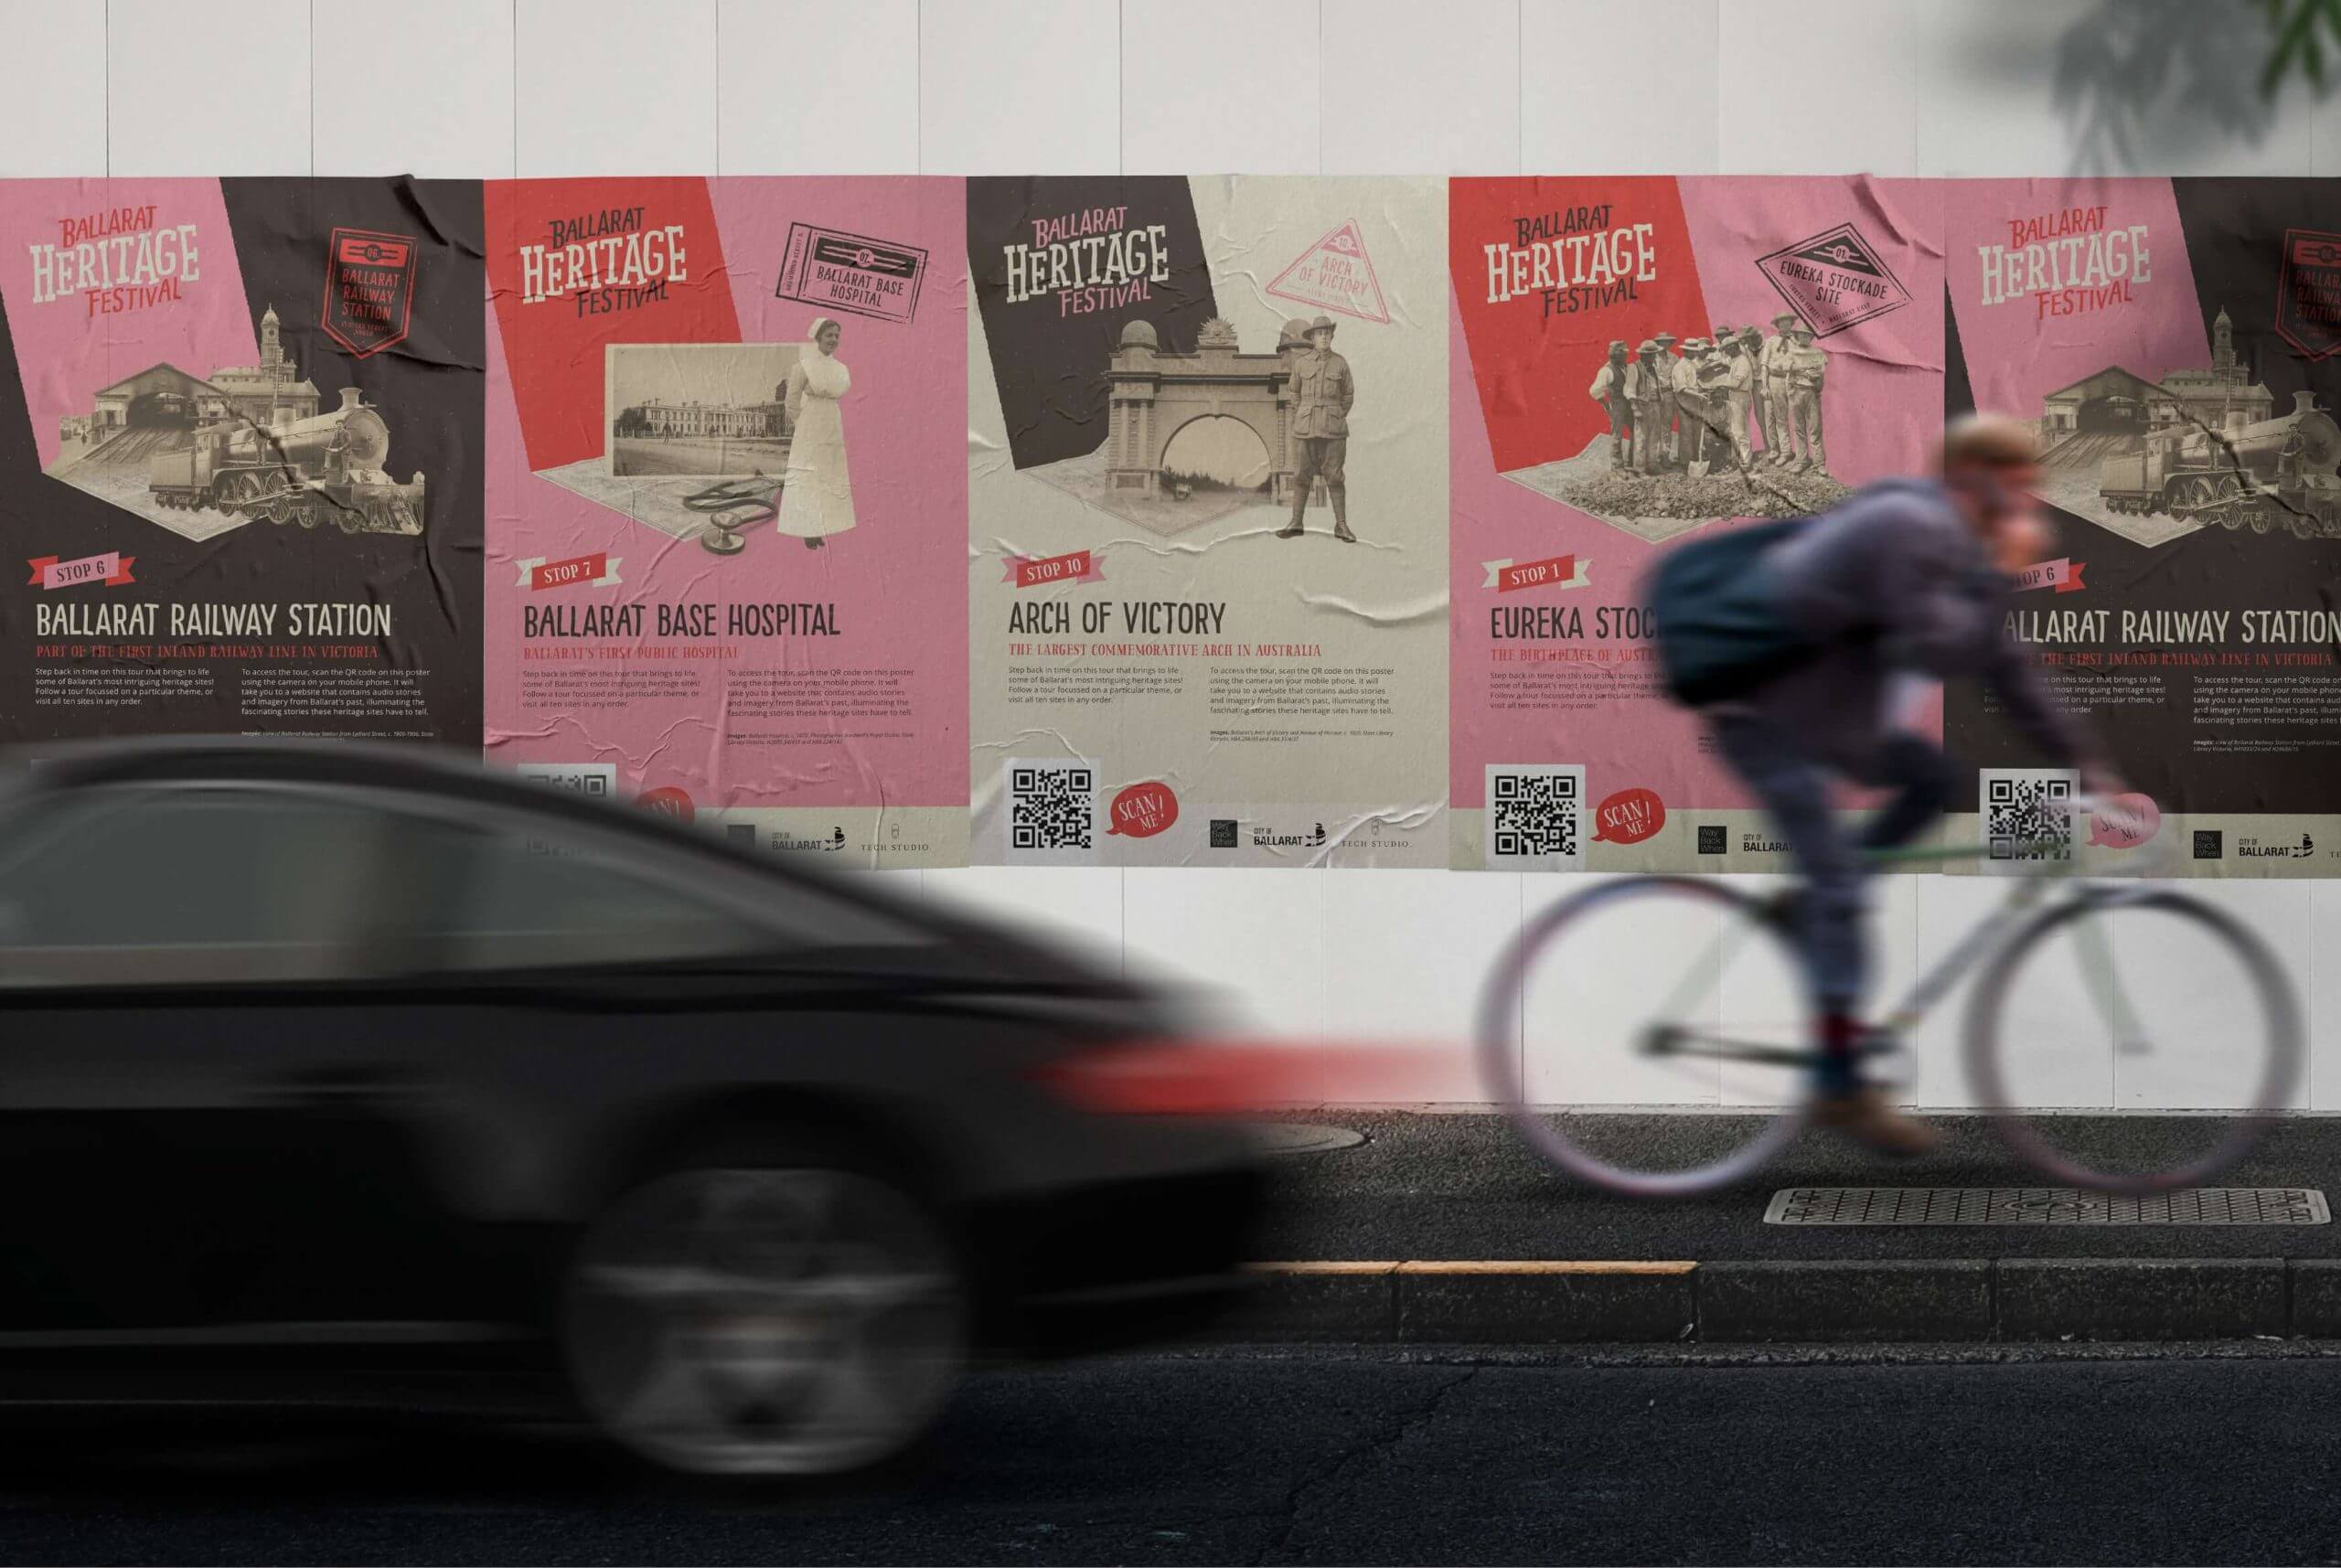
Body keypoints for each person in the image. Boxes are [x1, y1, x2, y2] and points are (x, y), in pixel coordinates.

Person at [1702, 415, 2120, 1153]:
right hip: (1768, 716)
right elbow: (1933, 640)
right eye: (2021, 489)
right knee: (1840, 890)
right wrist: (1997, 576)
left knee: (1934, 779)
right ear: (1976, 482)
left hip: (1833, 719)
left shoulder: (1954, 551)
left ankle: (1823, 897)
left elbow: (2013, 676)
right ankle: (1840, 1084)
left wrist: (2095, 775)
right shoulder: (1905, 525)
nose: (2032, 506)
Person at [775, 316, 857, 549]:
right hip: (810, 424)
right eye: (829, 335)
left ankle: (826, 525)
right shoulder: (803, 367)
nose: (834, 340)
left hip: (832, 422)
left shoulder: (841, 369)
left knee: (830, 474)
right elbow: (790, 402)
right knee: (807, 476)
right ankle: (806, 529)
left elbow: (840, 390)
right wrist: (803, 425)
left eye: (837, 336)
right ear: (818, 337)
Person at [1278, 315, 1355, 543]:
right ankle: (1296, 523)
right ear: (1312, 338)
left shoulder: (1340, 363)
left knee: (1335, 476)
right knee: (1301, 475)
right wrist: (1304, 410)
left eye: (1326, 333)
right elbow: (1294, 392)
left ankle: (1341, 525)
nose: (1323, 337)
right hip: (1305, 428)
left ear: (1331, 336)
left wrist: (1337, 414)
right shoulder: (1301, 364)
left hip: (1333, 430)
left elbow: (1348, 394)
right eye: (1319, 333)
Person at [1588, 340, 1635, 469]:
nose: (1626, 356)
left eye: (1625, 353)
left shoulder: (1626, 367)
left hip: (1629, 403)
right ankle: (1617, 465)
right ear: (1615, 355)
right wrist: (1606, 405)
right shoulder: (1606, 371)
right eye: (1623, 354)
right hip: (1617, 404)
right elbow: (1594, 390)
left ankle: (1631, 461)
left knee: (1636, 430)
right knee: (1617, 434)